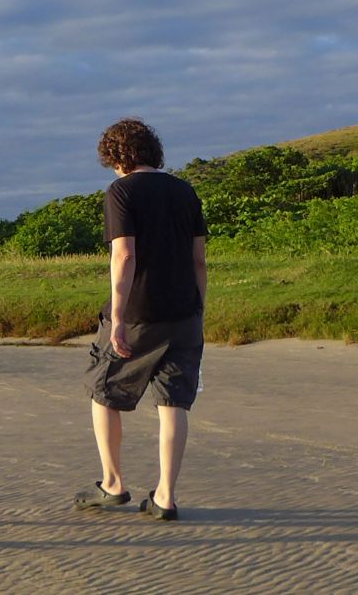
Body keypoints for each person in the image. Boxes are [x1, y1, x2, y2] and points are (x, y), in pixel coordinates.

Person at [75, 118, 207, 521]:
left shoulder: (121, 191)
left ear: (116, 156)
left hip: (139, 313)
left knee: (103, 391)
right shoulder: (185, 190)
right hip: (184, 312)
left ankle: (112, 484)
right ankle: (165, 496)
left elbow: (125, 255)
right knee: (173, 403)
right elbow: (198, 259)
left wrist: (116, 317)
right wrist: (198, 310)